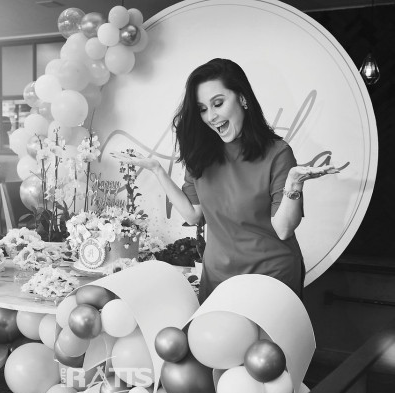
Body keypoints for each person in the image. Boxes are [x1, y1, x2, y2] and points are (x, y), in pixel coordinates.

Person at [113, 58, 338, 299]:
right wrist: (157, 170)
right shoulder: (201, 154)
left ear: (242, 98)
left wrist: (294, 184)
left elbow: (283, 230)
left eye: (218, 103)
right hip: (218, 276)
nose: (211, 116)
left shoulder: (278, 153)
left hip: (271, 277)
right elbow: (193, 215)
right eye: (202, 109)